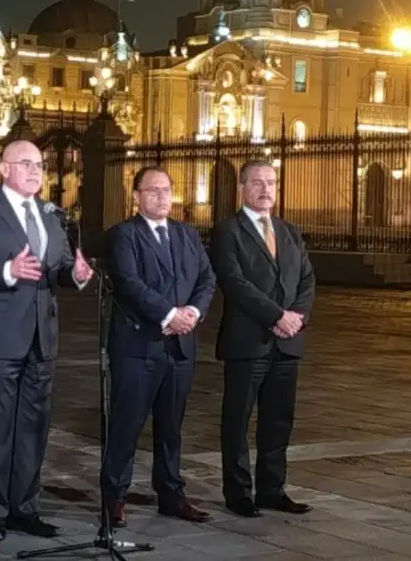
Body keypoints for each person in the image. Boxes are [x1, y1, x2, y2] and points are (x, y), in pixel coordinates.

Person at [0, 140, 94, 543]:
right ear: (4, 169)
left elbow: (60, 268)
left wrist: (76, 274)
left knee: (34, 427)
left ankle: (25, 508)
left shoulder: (51, 215)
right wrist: (7, 270)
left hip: (42, 337)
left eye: (40, 165)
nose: (36, 171)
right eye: (26, 163)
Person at [101, 167, 216, 527]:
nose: (162, 196)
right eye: (153, 190)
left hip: (180, 347)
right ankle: (114, 498)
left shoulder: (187, 234)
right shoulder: (124, 235)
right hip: (138, 347)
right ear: (136, 196)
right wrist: (168, 314)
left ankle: (171, 493)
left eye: (166, 190)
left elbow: (207, 278)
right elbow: (129, 283)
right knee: (126, 424)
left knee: (171, 428)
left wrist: (192, 312)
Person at [212, 159, 315, 518]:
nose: (265, 189)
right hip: (247, 341)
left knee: (278, 419)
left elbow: (307, 280)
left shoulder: (289, 232)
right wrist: (276, 316)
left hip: (287, 343)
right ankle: (238, 491)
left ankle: (272, 489)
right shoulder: (228, 231)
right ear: (242, 187)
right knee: (238, 420)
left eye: (270, 182)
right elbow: (234, 282)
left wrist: (296, 318)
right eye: (256, 182)